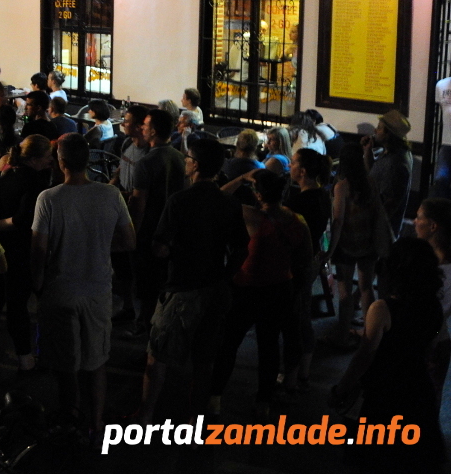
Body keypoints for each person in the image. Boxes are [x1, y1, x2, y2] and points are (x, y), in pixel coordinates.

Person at [132, 137, 248, 424]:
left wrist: (169, 252)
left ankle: (146, 415)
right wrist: (225, 276)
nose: (185, 161)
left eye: (188, 158)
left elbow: (160, 246)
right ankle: (195, 421)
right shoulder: (229, 203)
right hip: (214, 288)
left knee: (158, 355)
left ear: (195, 165)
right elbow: (241, 248)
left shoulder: (180, 201)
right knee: (204, 362)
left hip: (181, 288)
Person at [30, 133, 136, 443]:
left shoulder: (49, 199)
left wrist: (36, 284)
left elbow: (38, 250)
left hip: (60, 290)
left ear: (60, 162)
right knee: (96, 362)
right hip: (97, 290)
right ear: (88, 160)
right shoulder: (110, 195)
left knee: (66, 364)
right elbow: (129, 241)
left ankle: (71, 417)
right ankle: (96, 422)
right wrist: (100, 246)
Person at [330, 239, 446, 470]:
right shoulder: (434, 307)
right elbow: (436, 344)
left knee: (372, 457)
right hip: (417, 390)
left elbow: (365, 356)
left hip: (383, 392)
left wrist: (341, 389)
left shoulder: (382, 309)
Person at [209, 170, 311, 415]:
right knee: (269, 346)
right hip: (280, 289)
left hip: (246, 288)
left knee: (228, 344)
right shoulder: (298, 221)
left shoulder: (250, 216)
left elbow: (218, 197)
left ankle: (214, 398)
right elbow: (306, 258)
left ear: (258, 194)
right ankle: (263, 402)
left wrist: (240, 178)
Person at [0, 134, 54, 371]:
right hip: (20, 247)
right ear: (35, 159)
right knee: (19, 303)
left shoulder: (6, 172)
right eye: (47, 156)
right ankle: (26, 357)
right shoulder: (35, 182)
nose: (50, 160)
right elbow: (22, 220)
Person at [128, 109, 188, 334]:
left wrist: (132, 234)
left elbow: (139, 203)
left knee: (146, 285)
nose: (141, 128)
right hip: (172, 231)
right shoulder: (180, 158)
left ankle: (145, 327)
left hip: (149, 230)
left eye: (145, 125)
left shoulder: (146, 163)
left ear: (153, 131)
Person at [325, 145, 387, 348]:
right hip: (368, 242)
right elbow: (377, 212)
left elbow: (338, 221)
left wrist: (330, 250)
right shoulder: (370, 182)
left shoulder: (342, 186)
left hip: (347, 243)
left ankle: (342, 336)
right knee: (366, 287)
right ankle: (370, 335)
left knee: (344, 292)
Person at [283, 147, 332, 389]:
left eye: (293, 163)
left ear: (302, 171)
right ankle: (303, 370)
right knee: (302, 316)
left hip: (296, 263)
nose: (289, 166)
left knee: (295, 319)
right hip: (312, 260)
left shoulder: (298, 202)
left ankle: (292, 378)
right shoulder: (323, 195)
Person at [413, 197, 451, 394]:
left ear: (433, 226)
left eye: (419, 217)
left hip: (431, 346)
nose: (414, 222)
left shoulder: (444, 273)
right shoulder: (428, 261)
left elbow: (438, 318)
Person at [366, 108, 413, 234]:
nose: (375, 131)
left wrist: (371, 226)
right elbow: (372, 175)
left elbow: (389, 204)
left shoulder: (395, 163)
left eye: (379, 128)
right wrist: (368, 151)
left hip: (382, 232)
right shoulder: (392, 152)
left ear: (388, 133)